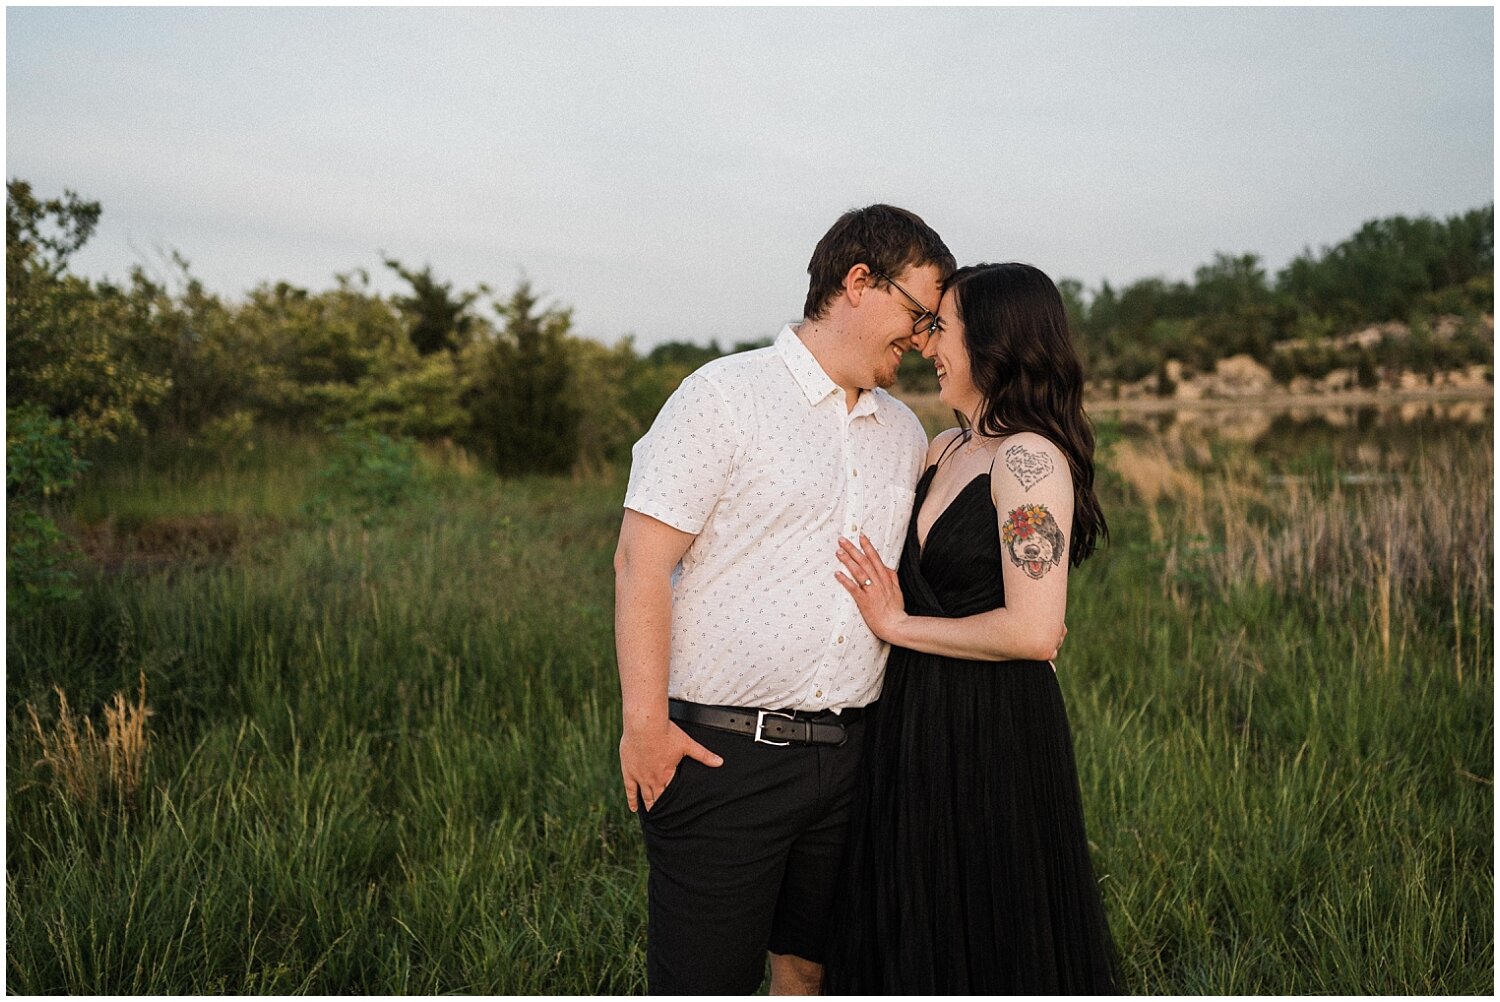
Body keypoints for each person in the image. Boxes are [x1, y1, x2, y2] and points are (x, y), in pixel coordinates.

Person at [614, 205, 968, 994]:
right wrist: (644, 727)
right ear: (857, 283)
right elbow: (640, 561)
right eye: (917, 312)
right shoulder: (722, 397)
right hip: (722, 757)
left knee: (814, 970)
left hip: (854, 760)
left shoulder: (905, 432)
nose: (921, 337)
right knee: (703, 983)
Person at [824, 262, 1121, 993]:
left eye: (942, 327)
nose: (928, 344)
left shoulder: (1027, 460)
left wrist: (898, 625)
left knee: (989, 927)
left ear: (992, 339)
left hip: (993, 727)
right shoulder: (942, 450)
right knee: (915, 916)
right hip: (914, 721)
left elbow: (1034, 632)